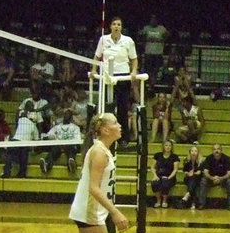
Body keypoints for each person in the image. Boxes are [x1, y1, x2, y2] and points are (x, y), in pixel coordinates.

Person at [91, 16, 138, 147]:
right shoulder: (103, 39)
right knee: (107, 108)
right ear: (110, 26)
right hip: (107, 76)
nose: (116, 26)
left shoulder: (128, 40)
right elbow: (97, 56)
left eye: (119, 24)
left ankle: (123, 138)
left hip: (122, 77)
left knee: (123, 108)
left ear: (121, 27)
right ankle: (105, 137)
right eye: (114, 24)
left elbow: (134, 59)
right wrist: (93, 70)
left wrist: (134, 71)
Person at [2, 100, 39, 179]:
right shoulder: (34, 127)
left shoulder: (21, 119)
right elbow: (36, 141)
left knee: (10, 154)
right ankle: (22, 173)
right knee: (23, 157)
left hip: (16, 142)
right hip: (23, 144)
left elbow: (18, 116)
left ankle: (7, 171)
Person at [40, 109, 82, 175]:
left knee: (72, 149)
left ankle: (71, 165)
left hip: (70, 145)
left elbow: (77, 140)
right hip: (58, 145)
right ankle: (46, 164)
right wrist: (50, 137)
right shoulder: (57, 127)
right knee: (54, 149)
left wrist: (66, 144)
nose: (66, 116)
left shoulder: (75, 128)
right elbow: (48, 135)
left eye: (68, 114)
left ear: (71, 117)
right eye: (65, 114)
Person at [199, 143, 230, 210]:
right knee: (203, 181)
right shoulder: (209, 158)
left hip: (223, 179)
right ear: (212, 151)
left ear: (221, 150)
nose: (216, 151)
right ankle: (202, 204)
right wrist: (212, 178)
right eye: (214, 149)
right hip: (211, 179)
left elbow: (229, 173)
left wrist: (220, 178)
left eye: (218, 149)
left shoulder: (226, 158)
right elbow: (205, 172)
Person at [137, 14, 168, 86]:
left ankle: (155, 81)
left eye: (154, 20)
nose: (153, 21)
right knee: (148, 68)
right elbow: (141, 37)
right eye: (152, 20)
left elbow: (167, 37)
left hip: (158, 52)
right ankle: (148, 81)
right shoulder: (146, 28)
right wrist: (146, 40)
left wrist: (160, 40)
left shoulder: (162, 29)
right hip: (148, 52)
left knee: (157, 69)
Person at [150, 139, 180, 208]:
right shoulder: (157, 155)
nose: (168, 147)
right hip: (159, 175)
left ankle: (164, 201)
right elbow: (152, 167)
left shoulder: (175, 157)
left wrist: (169, 177)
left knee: (165, 183)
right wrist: (155, 176)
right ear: (163, 146)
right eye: (166, 145)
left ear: (172, 147)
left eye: (169, 146)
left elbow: (175, 169)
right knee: (154, 183)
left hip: (170, 176)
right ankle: (158, 201)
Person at [180, 144, 203, 210]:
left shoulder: (201, 161)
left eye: (195, 151)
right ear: (190, 152)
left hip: (198, 178)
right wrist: (188, 173)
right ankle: (193, 203)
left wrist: (193, 173)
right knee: (192, 181)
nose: (194, 153)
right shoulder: (186, 160)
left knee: (194, 181)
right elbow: (185, 171)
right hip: (188, 178)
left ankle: (187, 196)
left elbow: (199, 172)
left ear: (198, 153)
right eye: (192, 151)